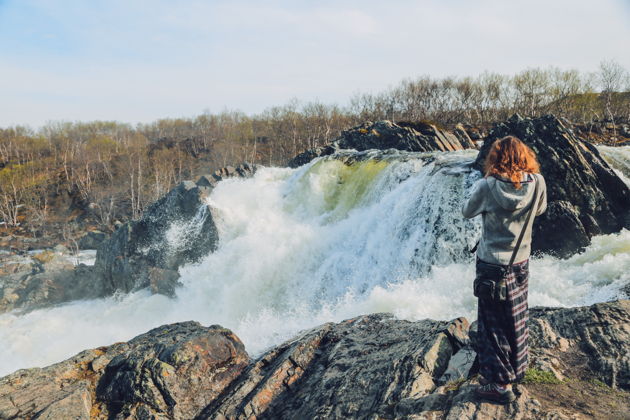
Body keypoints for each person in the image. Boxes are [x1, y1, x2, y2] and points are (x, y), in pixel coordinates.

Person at [462, 135, 547, 404]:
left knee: (492, 324)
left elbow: (467, 211)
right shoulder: (538, 183)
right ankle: (517, 369)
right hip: (520, 262)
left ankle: (500, 386)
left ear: (495, 159)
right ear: (526, 157)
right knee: (516, 318)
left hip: (491, 265)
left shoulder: (487, 186)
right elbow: (541, 209)